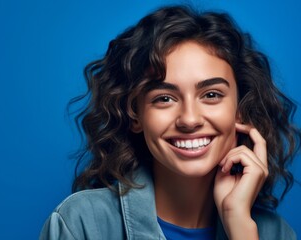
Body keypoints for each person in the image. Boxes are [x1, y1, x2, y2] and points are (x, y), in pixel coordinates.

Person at [40, 5, 300, 240]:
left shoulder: (275, 234)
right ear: (135, 115)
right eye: (164, 98)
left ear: (240, 110)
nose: (189, 119)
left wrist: (239, 224)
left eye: (211, 95)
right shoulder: (81, 224)